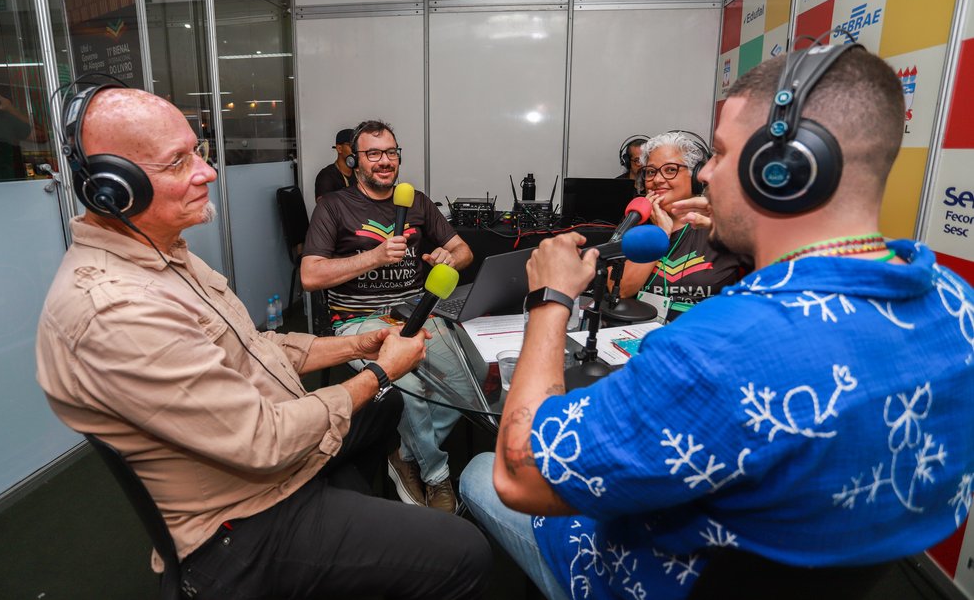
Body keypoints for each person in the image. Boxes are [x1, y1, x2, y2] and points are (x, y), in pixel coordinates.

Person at [458, 46, 974, 600]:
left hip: (651, 578)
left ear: (783, 170)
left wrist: (550, 299)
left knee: (481, 471)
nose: (705, 172)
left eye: (722, 153)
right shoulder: (956, 302)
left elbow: (523, 475)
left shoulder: (721, 346)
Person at [36, 89, 490, 599]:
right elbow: (263, 440)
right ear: (113, 188)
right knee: (465, 551)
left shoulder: (167, 259)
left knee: (384, 414)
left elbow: (257, 346)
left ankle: (363, 519)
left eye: (199, 151)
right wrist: (380, 373)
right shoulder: (116, 308)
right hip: (245, 519)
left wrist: (359, 349)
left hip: (282, 453)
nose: (207, 172)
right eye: (178, 162)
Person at [301, 119, 474, 513]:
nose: (384, 161)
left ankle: (403, 451)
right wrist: (375, 256)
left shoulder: (417, 201)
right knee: (405, 383)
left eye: (391, 152)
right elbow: (310, 275)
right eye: (373, 153)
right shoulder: (334, 206)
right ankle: (437, 476)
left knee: (474, 379)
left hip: (416, 311)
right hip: (358, 320)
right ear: (354, 161)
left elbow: (464, 250)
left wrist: (450, 255)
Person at [616, 130, 750, 320]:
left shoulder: (719, 223)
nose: (657, 179)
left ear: (695, 175)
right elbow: (622, 290)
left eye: (671, 170)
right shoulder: (636, 219)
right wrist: (661, 234)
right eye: (651, 172)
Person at [314, 126, 355, 201]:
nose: (355, 150)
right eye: (352, 145)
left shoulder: (359, 173)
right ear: (339, 149)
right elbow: (324, 207)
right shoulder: (326, 176)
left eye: (357, 146)